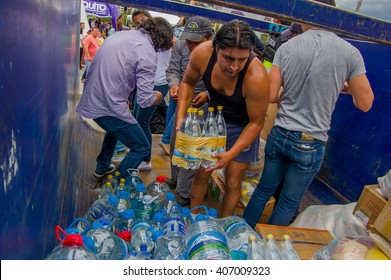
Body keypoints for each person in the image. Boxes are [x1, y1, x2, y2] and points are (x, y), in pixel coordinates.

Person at [243, 1, 374, 228]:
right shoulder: (350, 53)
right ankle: (264, 249)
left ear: (308, 16)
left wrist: (291, 88)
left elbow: (271, 94)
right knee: (288, 202)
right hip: (310, 142)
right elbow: (365, 103)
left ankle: (242, 234)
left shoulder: (288, 47)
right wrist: (345, 85)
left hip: (280, 134)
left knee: (264, 189)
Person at [175, 19, 270, 214]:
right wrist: (181, 120)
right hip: (212, 122)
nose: (234, 67)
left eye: (241, 60)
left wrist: (231, 154)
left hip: (243, 127)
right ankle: (193, 218)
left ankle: (222, 225)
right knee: (201, 173)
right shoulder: (202, 53)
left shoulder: (257, 76)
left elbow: (257, 122)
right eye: (228, 58)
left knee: (233, 180)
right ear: (215, 47)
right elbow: (187, 83)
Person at [76, 17, 173, 179]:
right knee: (141, 147)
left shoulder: (121, 35)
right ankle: (114, 187)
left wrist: (120, 95)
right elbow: (145, 100)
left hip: (95, 96)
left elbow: (116, 71)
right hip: (106, 104)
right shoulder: (147, 53)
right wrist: (160, 95)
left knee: (114, 130)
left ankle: (102, 167)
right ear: (161, 40)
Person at [165, 16, 213, 205]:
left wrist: (208, 95)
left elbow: (226, 84)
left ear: (209, 37)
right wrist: (175, 85)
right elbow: (172, 70)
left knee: (191, 150)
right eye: (189, 41)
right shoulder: (181, 46)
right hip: (183, 103)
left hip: (203, 109)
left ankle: (183, 195)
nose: (191, 45)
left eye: (196, 41)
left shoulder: (219, 52)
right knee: (176, 144)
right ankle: (176, 181)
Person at [131, 9, 171, 171]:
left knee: (143, 121)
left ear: (150, 19)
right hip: (145, 82)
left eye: (143, 20)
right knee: (136, 117)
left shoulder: (161, 35)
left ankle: (145, 158)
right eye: (137, 23)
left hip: (158, 83)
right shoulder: (144, 37)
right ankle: (139, 150)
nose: (140, 24)